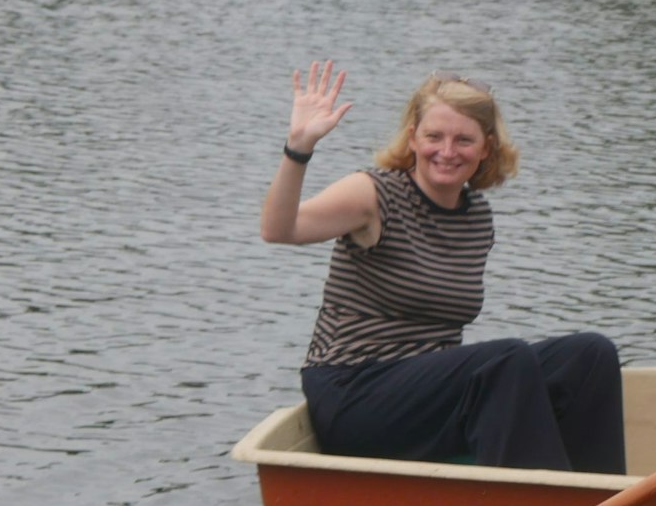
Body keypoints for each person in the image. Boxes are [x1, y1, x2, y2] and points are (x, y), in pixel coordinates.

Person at [260, 61, 626, 474]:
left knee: (590, 355)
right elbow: (278, 229)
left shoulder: (477, 217)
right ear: (413, 138)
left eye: (463, 140)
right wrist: (299, 147)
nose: (447, 152)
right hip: (354, 392)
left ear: (486, 148)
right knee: (506, 360)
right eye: (434, 136)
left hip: (426, 401)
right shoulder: (373, 195)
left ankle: (600, 504)